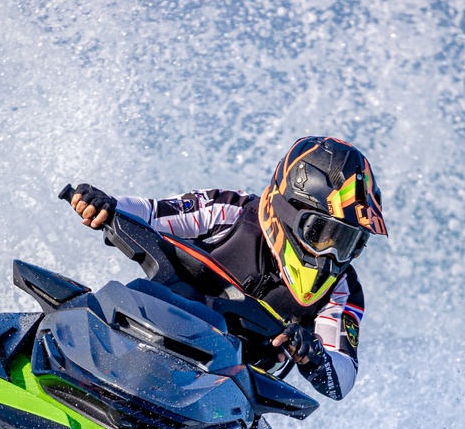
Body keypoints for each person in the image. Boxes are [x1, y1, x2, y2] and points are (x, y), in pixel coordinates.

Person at [66, 136, 386, 400]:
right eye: (324, 232)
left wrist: (315, 357)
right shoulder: (229, 210)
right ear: (290, 210)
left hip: (223, 399)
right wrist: (105, 204)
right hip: (142, 347)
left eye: (348, 242)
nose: (332, 253)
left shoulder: (342, 289)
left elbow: (342, 377)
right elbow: (150, 212)